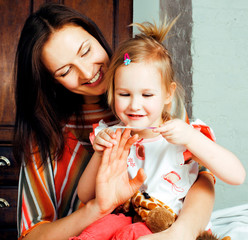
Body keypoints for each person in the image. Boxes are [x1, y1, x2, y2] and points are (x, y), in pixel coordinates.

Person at [13, 3, 217, 240]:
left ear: (96, 36)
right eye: (65, 70)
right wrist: (97, 208)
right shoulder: (43, 135)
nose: (87, 72)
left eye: (86, 51)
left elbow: (201, 176)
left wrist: (182, 231)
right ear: (51, 80)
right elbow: (31, 235)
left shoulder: (154, 99)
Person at [76, 19, 246, 239]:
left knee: (131, 234)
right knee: (92, 233)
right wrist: (100, 153)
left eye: (147, 95)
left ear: (168, 94)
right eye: (124, 94)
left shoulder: (182, 135)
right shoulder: (112, 135)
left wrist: (192, 138)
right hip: (127, 215)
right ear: (112, 92)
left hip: (168, 223)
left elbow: (237, 175)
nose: (135, 105)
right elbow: (84, 194)